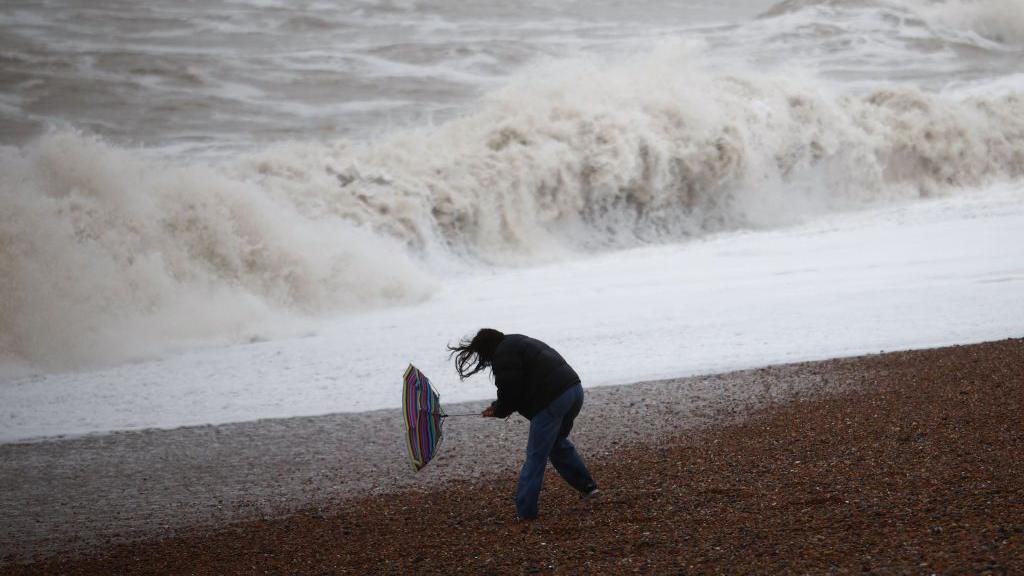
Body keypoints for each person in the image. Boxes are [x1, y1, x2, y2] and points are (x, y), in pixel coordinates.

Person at [448, 328, 599, 520]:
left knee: (536, 455)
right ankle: (588, 487)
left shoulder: (503, 355)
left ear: (487, 348)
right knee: (555, 443)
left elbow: (510, 391)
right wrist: (499, 407)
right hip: (574, 391)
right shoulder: (516, 341)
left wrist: (500, 410)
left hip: (553, 399)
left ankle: (525, 513)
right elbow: (518, 387)